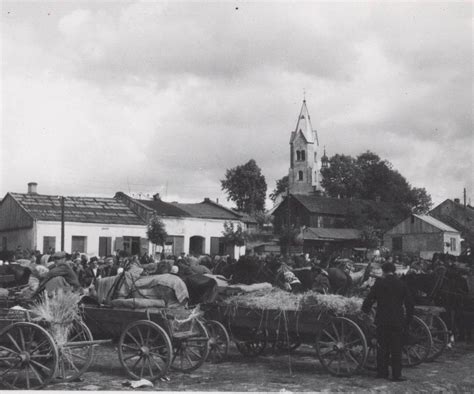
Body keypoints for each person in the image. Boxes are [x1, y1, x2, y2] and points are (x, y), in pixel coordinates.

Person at [362, 262, 414, 382]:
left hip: (382, 319)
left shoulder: (379, 283)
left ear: (384, 271)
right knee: (396, 347)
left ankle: (382, 372)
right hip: (397, 319)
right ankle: (397, 374)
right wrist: (408, 320)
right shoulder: (401, 284)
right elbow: (410, 304)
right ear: (394, 271)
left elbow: (369, 299)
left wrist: (365, 311)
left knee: (382, 346)